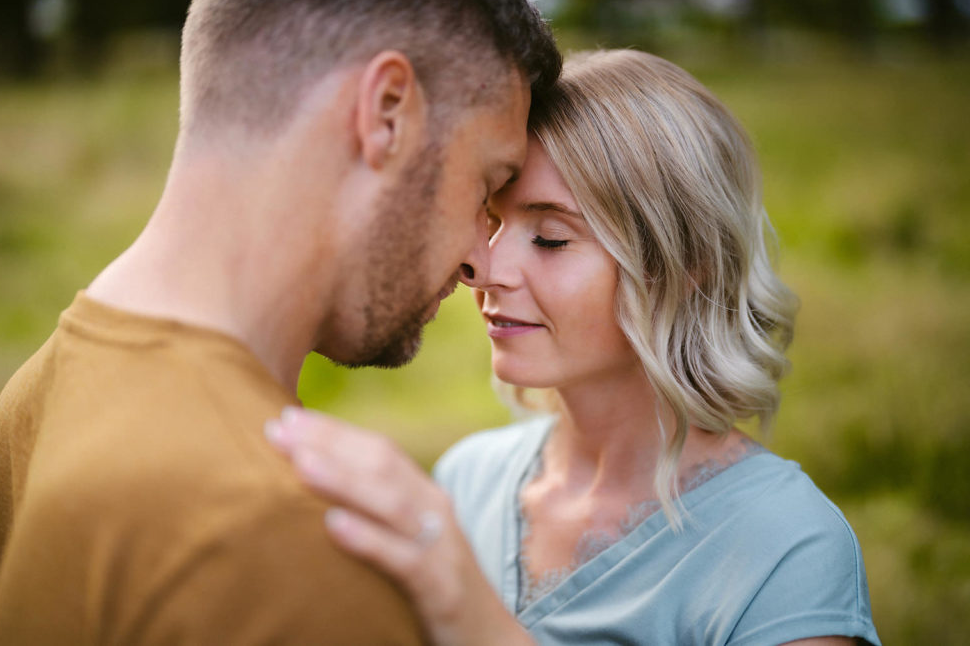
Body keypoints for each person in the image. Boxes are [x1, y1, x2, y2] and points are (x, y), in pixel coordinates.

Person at [0, 0, 561, 643]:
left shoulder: (33, 399)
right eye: (486, 180)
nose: (477, 260)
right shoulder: (294, 541)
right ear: (387, 110)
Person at [266, 49, 881, 645]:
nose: (481, 268)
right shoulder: (467, 478)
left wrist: (472, 615)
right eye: (492, 222)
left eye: (552, 238)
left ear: (684, 265)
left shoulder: (788, 549)